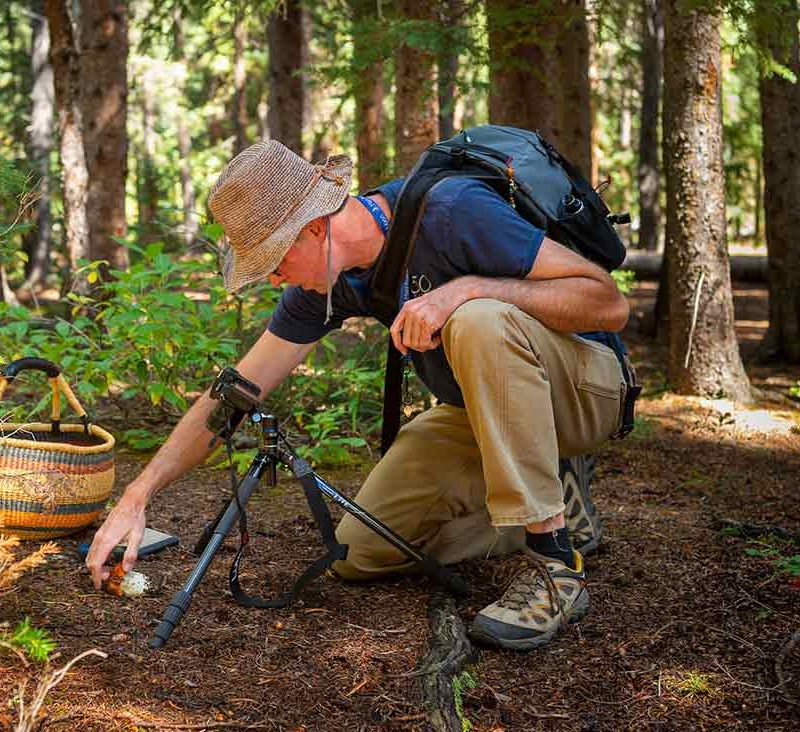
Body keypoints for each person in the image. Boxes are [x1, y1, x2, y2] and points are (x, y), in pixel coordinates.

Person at [86, 140, 629, 651]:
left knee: (477, 319)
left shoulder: (452, 210)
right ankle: (557, 500)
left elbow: (607, 303)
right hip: (485, 413)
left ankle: (554, 564)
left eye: (275, 262)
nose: (275, 280)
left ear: (314, 230)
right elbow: (236, 391)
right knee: (360, 550)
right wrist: (139, 494)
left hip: (585, 389)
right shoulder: (329, 283)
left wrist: (467, 289)